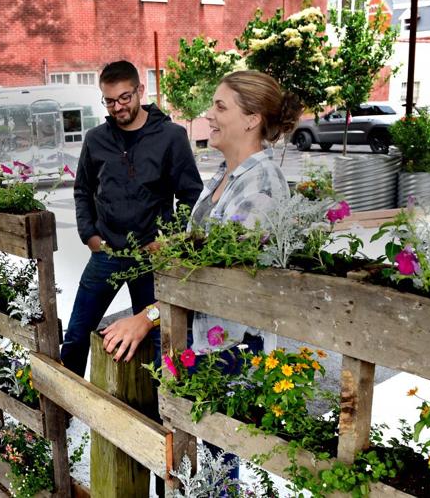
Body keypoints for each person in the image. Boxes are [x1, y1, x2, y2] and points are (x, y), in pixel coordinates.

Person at [100, 69, 304, 484]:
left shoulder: (261, 184)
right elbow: (207, 250)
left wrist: (147, 317)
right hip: (199, 343)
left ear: (252, 119)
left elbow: (218, 284)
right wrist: (173, 247)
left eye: (220, 106)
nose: (208, 114)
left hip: (228, 350)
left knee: (212, 471)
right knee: (185, 460)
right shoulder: (227, 174)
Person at [60, 60, 203, 379]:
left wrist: (170, 239)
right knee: (77, 332)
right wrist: (89, 235)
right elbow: (82, 189)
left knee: (159, 337)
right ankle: (62, 411)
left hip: (152, 258)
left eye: (124, 97)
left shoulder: (171, 137)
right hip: (107, 254)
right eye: (109, 101)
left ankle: (160, 417)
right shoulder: (96, 139)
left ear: (140, 90)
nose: (117, 107)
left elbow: (192, 195)